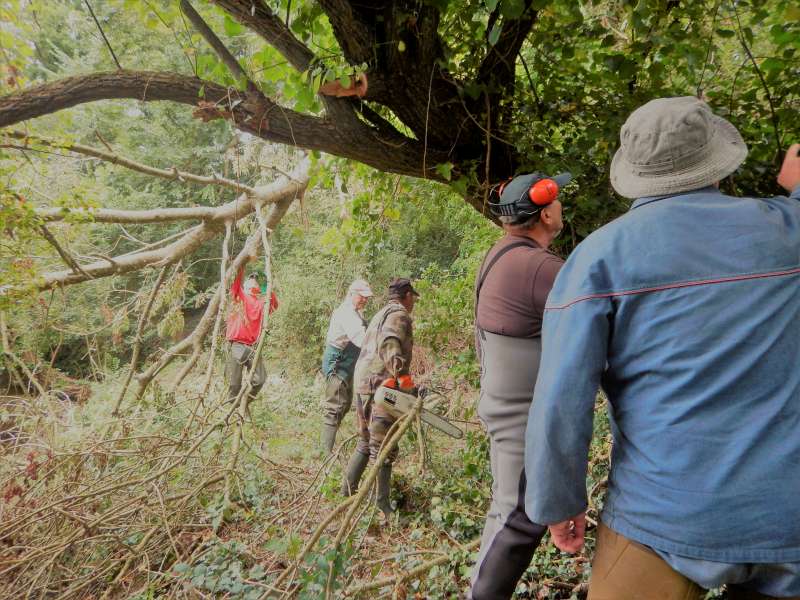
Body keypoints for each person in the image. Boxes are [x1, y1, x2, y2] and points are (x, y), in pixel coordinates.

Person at [525, 97, 800, 600]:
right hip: (787, 516)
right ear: (717, 158)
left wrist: (558, 501)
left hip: (661, 510)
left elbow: (562, 398)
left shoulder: (597, 258)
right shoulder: (786, 228)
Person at [469, 171, 571, 600]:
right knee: (517, 519)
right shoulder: (538, 267)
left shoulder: (502, 253)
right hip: (520, 418)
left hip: (503, 406)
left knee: (510, 512)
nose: (562, 207)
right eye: (559, 201)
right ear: (546, 213)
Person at [340, 277, 419, 517]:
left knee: (365, 441)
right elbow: (390, 342)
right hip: (381, 386)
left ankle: (347, 491)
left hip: (364, 381)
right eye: (412, 297)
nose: (413, 302)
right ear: (406, 296)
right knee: (384, 446)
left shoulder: (380, 313)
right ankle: (382, 506)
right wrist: (401, 375)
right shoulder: (399, 315)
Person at [320, 279, 374, 453]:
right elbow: (361, 340)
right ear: (352, 294)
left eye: (367, 297)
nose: (364, 300)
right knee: (334, 406)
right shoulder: (346, 313)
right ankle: (325, 452)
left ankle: (331, 440)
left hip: (348, 364)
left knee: (344, 403)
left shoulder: (357, 313)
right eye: (362, 296)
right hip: (338, 362)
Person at [225, 254, 278, 404]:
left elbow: (274, 304)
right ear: (246, 284)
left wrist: (266, 285)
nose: (253, 282)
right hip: (236, 345)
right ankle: (233, 412)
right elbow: (236, 281)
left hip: (252, 347)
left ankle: (244, 403)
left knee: (260, 379)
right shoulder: (239, 296)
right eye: (251, 280)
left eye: (256, 281)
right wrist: (243, 263)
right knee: (234, 384)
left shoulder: (262, 302)